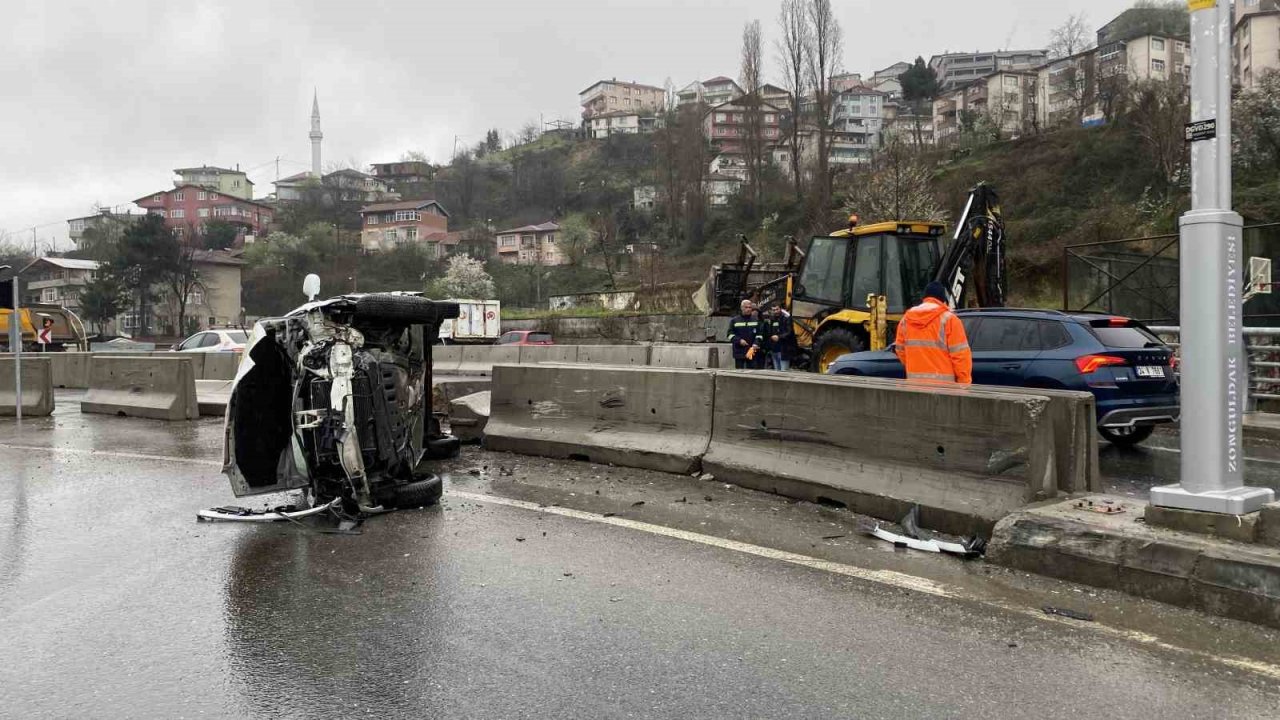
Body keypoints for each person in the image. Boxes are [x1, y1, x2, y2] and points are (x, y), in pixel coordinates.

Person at [894, 281, 972, 384]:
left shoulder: (906, 320)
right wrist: (964, 382)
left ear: (924, 297)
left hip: (914, 386)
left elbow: (900, 350)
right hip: (944, 389)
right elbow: (960, 356)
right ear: (943, 299)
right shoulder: (950, 320)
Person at [727, 299, 763, 370]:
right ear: (742, 308)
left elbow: (760, 334)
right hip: (739, 350)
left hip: (751, 349)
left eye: (750, 307)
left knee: (751, 371)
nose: (748, 309)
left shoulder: (756, 320)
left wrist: (756, 343)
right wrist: (739, 340)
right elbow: (730, 334)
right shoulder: (735, 320)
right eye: (746, 307)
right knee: (739, 372)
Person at [763, 305, 796, 372]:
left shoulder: (786, 318)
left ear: (780, 309)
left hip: (784, 349)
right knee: (776, 372)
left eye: (777, 309)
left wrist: (779, 337)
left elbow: (789, 332)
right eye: (774, 310)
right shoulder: (771, 320)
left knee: (784, 372)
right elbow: (768, 332)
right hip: (774, 350)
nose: (775, 311)